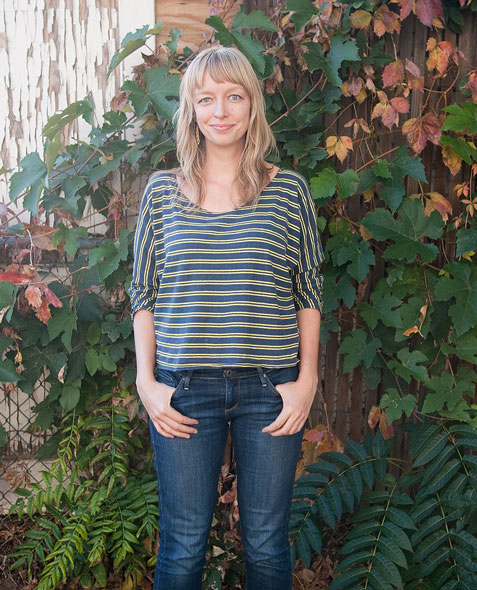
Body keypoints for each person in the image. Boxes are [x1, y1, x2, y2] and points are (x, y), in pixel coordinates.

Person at [129, 45, 324, 590]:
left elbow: (309, 291)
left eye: (234, 96)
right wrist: (147, 383)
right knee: (184, 546)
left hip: (270, 389)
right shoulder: (163, 194)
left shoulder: (287, 192)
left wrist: (306, 382)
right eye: (207, 98)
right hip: (183, 391)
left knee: (265, 545)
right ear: (191, 109)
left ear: (252, 105)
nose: (221, 110)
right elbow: (141, 294)